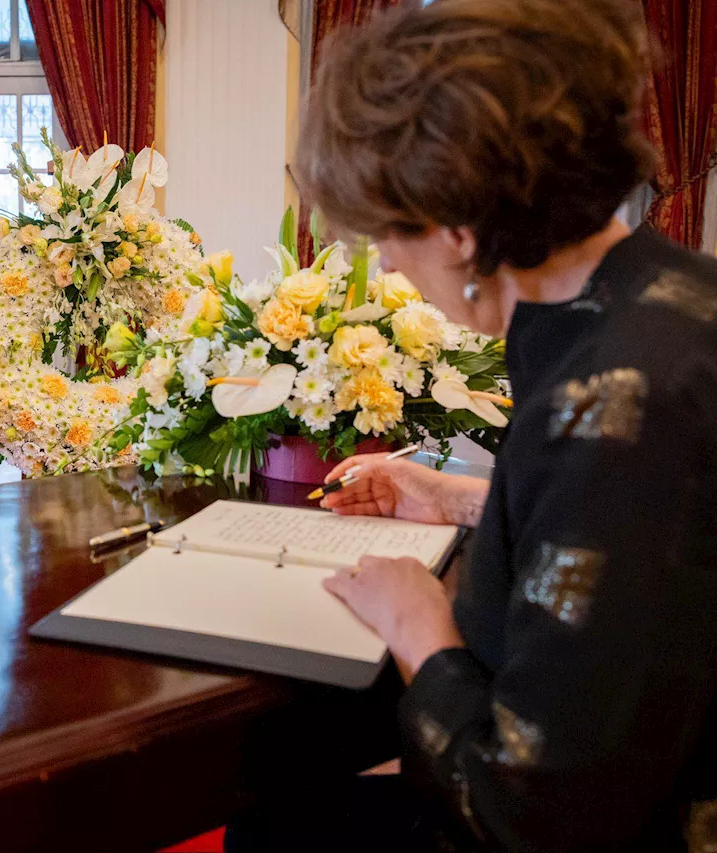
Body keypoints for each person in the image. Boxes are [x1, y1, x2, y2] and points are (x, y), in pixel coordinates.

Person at [227, 0, 717, 850]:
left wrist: (422, 624)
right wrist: (457, 499)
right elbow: (626, 532)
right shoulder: (672, 299)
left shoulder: (615, 392)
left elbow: (529, 811)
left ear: (458, 228)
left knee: (276, 827)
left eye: (387, 229)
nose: (382, 259)